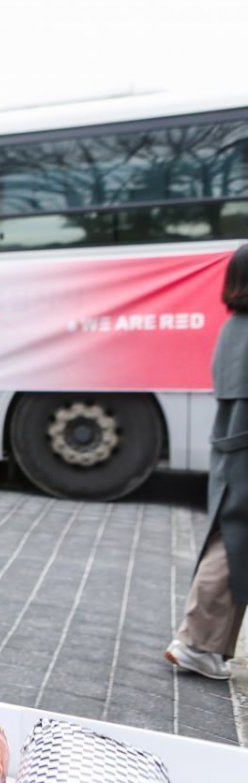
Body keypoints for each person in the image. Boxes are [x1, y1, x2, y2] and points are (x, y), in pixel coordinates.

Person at [165, 242, 248, 680]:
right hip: (242, 452)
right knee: (234, 540)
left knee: (234, 538)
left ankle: (206, 645)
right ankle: (197, 643)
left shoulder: (235, 326)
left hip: (234, 449)